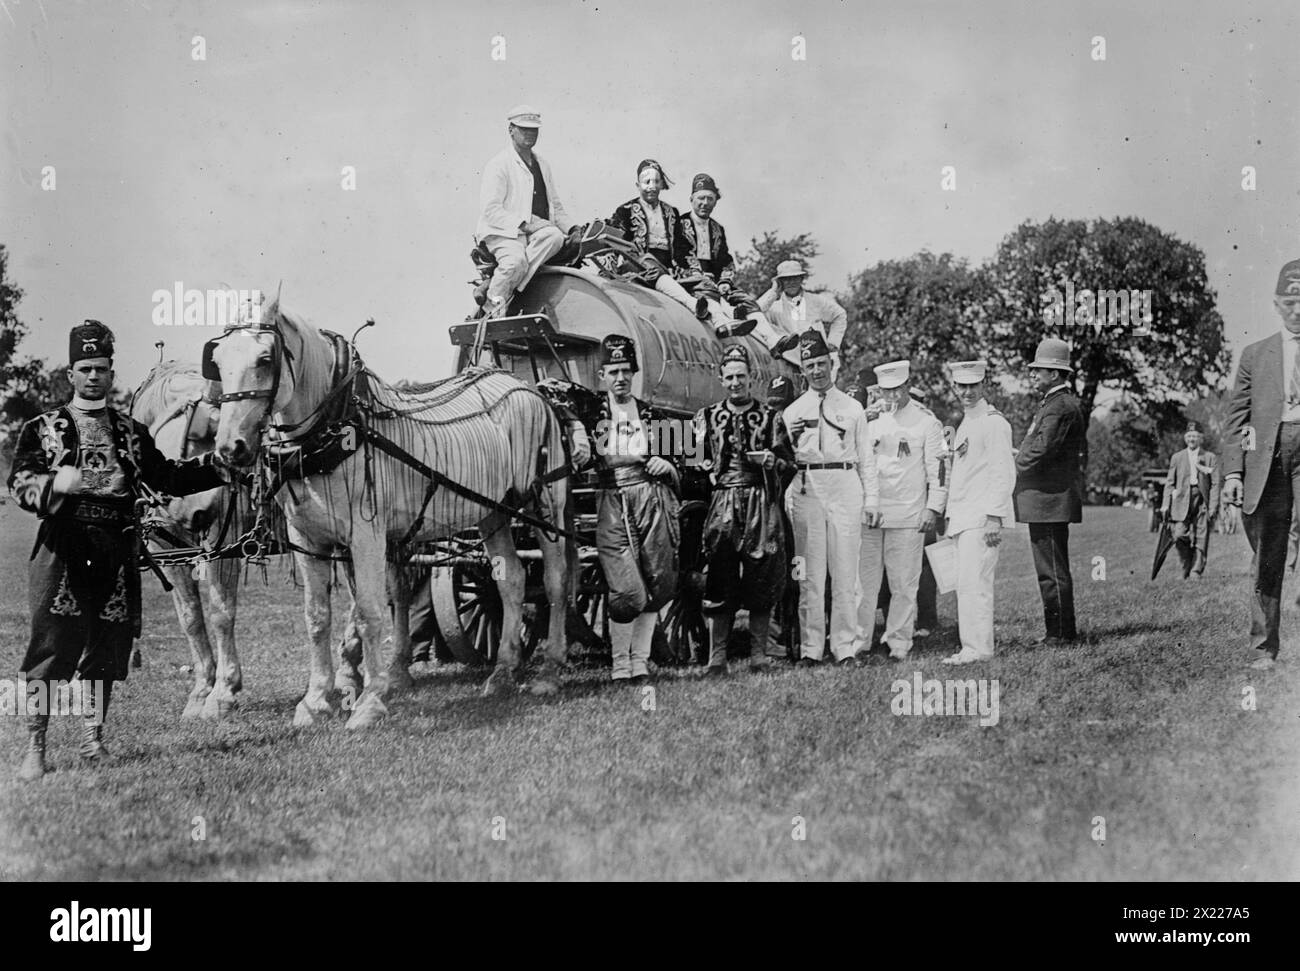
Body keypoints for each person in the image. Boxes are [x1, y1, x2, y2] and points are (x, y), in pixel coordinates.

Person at [7, 321, 230, 781]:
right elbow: (20, 484)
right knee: (52, 646)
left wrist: (222, 464)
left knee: (108, 648)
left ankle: (93, 740)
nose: (93, 376)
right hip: (63, 547)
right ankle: (36, 746)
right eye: (85, 368)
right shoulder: (43, 428)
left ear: (111, 373)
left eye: (102, 368)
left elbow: (167, 478)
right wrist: (53, 487)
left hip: (116, 545)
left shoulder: (131, 431)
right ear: (71, 373)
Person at [583, 334, 681, 683]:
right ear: (602, 376)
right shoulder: (591, 412)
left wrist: (666, 466)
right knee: (627, 589)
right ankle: (618, 665)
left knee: (656, 582)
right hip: (612, 502)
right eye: (613, 371)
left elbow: (682, 462)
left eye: (626, 371)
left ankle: (638, 664)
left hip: (651, 499)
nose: (620, 378)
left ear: (634, 373)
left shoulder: (651, 413)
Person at [693, 345, 795, 675]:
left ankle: (759, 655)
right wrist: (706, 467)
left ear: (751, 378)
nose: (736, 382)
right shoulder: (706, 416)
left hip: (760, 501)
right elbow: (690, 459)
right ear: (721, 379)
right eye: (730, 377)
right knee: (720, 574)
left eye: (741, 376)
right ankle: (717, 658)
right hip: (723, 500)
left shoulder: (770, 417)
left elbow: (790, 464)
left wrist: (772, 462)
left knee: (761, 572)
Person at [783, 330, 879, 666]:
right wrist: (789, 442)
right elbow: (785, 457)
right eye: (810, 365)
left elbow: (867, 459)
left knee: (845, 572)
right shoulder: (792, 412)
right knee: (810, 574)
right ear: (802, 370)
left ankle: (845, 647)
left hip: (845, 484)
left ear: (832, 364)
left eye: (822, 364)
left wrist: (871, 502)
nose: (817, 371)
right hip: (808, 487)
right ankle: (811, 649)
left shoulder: (852, 408)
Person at [1222, 257, 1300, 670]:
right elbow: (1236, 419)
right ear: (1276, 303)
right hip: (1266, 458)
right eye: (1290, 301)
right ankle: (1264, 647)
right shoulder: (1255, 355)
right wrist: (1232, 472)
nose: (1299, 309)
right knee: (1267, 554)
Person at [855, 361, 947, 661]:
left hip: (908, 512)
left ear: (907, 387)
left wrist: (933, 508)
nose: (891, 396)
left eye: (897, 389)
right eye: (885, 391)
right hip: (870, 513)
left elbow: (939, 471)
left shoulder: (926, 422)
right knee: (864, 583)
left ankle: (898, 641)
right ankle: (859, 641)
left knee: (903, 583)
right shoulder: (869, 420)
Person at [1013, 337, 1087, 647]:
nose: (1032, 375)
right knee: (1050, 568)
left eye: (1037, 370)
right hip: (1046, 500)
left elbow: (1041, 450)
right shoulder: (1056, 404)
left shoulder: (1060, 407)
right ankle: (1057, 631)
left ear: (1054, 374)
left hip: (1049, 500)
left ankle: (1061, 634)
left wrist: (1011, 466)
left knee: (1052, 570)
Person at [942, 360, 1016, 664]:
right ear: (955, 388)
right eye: (962, 386)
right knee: (966, 585)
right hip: (963, 518)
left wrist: (994, 517)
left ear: (983, 385)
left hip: (981, 518)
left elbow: (1003, 472)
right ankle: (970, 646)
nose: (967, 392)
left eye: (973, 385)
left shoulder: (993, 422)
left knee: (977, 585)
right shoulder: (967, 422)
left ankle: (980, 649)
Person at [475, 105, 573, 320]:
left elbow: (555, 206)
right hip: (503, 233)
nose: (530, 134)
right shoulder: (499, 165)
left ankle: (500, 285)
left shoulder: (542, 165)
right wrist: (525, 224)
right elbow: (491, 210)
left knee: (555, 236)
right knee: (515, 262)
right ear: (511, 130)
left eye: (534, 130)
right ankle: (493, 307)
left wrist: (574, 229)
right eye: (524, 129)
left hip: (533, 235)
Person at [608, 159, 702, 317]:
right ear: (638, 185)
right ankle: (691, 303)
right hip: (638, 265)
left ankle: (722, 320)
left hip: (669, 267)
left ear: (661, 184)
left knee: (702, 281)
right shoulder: (625, 211)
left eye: (656, 182)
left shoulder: (672, 212)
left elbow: (682, 248)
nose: (651, 187)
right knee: (648, 263)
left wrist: (693, 270)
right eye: (646, 182)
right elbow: (614, 241)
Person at [759, 261, 848, 373]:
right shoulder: (774, 308)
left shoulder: (816, 301)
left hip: (820, 363)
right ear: (780, 282)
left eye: (795, 278)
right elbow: (753, 313)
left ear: (801, 279)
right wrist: (773, 292)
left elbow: (840, 315)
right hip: (791, 367)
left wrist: (833, 342)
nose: (791, 282)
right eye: (787, 279)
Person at [1161, 420, 1221, 578]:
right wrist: (1165, 504)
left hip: (1202, 500)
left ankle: (1196, 570)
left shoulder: (1209, 457)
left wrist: (1213, 506)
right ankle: (1186, 563)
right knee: (1180, 534)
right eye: (1189, 436)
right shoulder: (1177, 457)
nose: (1192, 439)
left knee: (1202, 534)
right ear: (1185, 438)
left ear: (1201, 438)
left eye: (1195, 436)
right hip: (1181, 500)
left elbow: (1215, 483)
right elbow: (1169, 482)